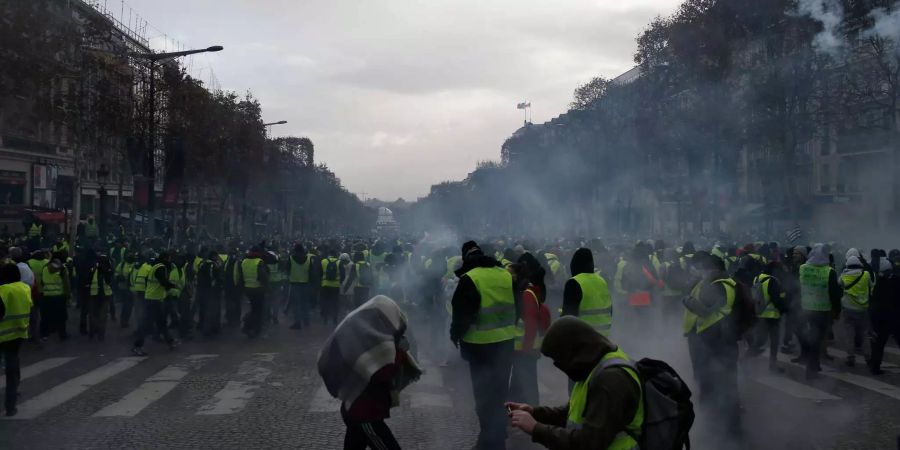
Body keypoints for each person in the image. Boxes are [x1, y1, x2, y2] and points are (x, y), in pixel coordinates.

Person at [505, 316, 642, 449]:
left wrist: (536, 429)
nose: (560, 366)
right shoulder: (593, 364)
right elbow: (573, 412)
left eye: (560, 359)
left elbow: (589, 443)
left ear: (574, 350)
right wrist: (534, 413)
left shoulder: (610, 380)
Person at [317, 295, 420, 450]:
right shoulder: (374, 341)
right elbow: (382, 373)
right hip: (365, 415)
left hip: (356, 410)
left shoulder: (367, 334)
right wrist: (399, 353)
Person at [450, 241, 518, 450]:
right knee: (499, 395)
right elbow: (518, 307)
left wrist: (455, 335)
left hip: (479, 348)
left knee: (483, 400)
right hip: (506, 344)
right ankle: (495, 439)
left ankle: (491, 442)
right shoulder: (505, 274)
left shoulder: (470, 279)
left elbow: (462, 315)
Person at [681, 252, 741, 437]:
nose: (700, 271)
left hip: (714, 344)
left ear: (714, 269)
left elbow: (705, 312)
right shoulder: (715, 284)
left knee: (714, 384)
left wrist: (688, 301)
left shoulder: (720, 286)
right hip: (713, 342)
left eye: (703, 268)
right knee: (720, 383)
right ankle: (720, 424)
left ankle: (719, 427)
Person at [509, 253, 551, 407]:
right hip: (523, 347)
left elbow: (531, 324)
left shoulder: (526, 293)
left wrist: (526, 348)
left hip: (526, 347)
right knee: (519, 380)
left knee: (528, 382)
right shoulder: (524, 290)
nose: (509, 277)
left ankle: (532, 410)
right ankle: (513, 407)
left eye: (511, 274)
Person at [795, 244, 842, 379]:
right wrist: (837, 310)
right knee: (818, 339)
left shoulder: (803, 268)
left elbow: (798, 287)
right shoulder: (829, 271)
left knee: (814, 337)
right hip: (823, 310)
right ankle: (811, 368)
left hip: (807, 309)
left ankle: (814, 364)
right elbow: (834, 294)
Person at [0, 262, 34, 416]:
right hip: (19, 334)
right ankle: (11, 406)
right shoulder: (25, 288)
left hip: (2, 334)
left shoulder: (3, 290)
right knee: (12, 371)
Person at [132, 253, 177, 356]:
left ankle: (170, 342)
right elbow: (163, 282)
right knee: (148, 324)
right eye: (169, 258)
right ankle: (137, 346)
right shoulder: (161, 268)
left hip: (154, 299)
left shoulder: (155, 266)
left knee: (161, 322)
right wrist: (173, 285)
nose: (170, 261)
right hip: (153, 300)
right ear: (166, 258)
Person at [562, 248, 612, 337]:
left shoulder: (574, 282)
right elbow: (609, 309)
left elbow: (568, 316)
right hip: (604, 337)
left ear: (574, 265)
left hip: (584, 337)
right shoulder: (602, 281)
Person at [869, 255, 900, 375]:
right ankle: (875, 366)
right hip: (895, 317)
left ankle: (875, 366)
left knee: (879, 344)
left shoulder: (879, 283)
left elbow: (874, 301)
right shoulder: (897, 281)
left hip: (881, 317)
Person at [838, 255, 871, 367]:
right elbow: (871, 286)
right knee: (864, 334)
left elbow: (839, 284)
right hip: (863, 309)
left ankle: (850, 357)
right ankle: (868, 356)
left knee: (849, 334)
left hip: (848, 309)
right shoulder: (865, 275)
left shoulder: (844, 276)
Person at [237, 245, 268, 338]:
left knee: (254, 308)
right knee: (258, 310)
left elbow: (241, 276)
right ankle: (251, 327)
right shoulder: (259, 262)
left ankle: (250, 326)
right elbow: (263, 277)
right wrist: (267, 287)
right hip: (258, 289)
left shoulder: (244, 261)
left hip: (248, 289)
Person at [38, 255, 70, 340]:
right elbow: (66, 284)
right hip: (59, 296)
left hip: (47, 296)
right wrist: (68, 295)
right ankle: (62, 335)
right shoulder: (62, 269)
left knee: (46, 316)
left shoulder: (45, 268)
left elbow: (42, 282)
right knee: (61, 317)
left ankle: (44, 334)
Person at [288, 243, 314, 330]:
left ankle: (297, 323)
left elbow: (287, 269)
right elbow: (311, 272)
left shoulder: (291, 258)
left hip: (294, 284)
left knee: (296, 305)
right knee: (305, 303)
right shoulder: (308, 259)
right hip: (305, 284)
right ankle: (306, 321)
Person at [88, 254, 114, 341]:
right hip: (100, 295)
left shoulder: (98, 269)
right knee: (100, 316)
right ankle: (98, 333)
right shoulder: (96, 269)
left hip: (97, 295)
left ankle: (96, 333)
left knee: (95, 315)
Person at [197, 251, 223, 336]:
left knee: (203, 309)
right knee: (213, 310)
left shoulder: (202, 263)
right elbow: (216, 278)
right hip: (212, 291)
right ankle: (210, 329)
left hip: (202, 290)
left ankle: (201, 326)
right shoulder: (213, 265)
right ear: (213, 256)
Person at [319, 247, 342, 327]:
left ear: (329, 254)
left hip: (325, 284)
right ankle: (334, 319)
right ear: (336, 255)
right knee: (335, 303)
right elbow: (343, 275)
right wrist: (340, 282)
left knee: (326, 302)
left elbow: (320, 272)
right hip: (336, 286)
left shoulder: (323, 261)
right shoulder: (339, 262)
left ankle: (325, 319)